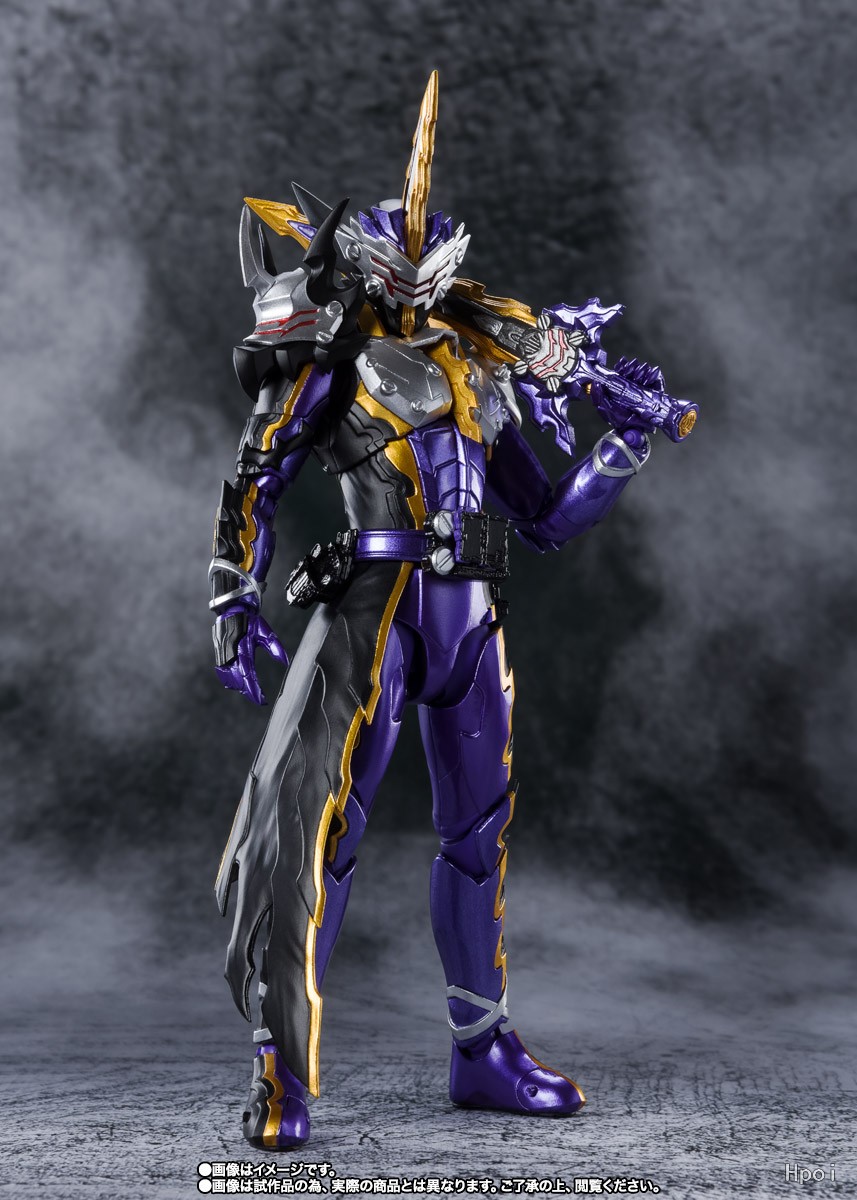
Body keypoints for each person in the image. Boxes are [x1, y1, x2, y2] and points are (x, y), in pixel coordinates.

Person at [210, 71, 697, 1150]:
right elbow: (255, 474)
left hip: (468, 620)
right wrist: (231, 590)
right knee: (317, 836)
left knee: (477, 839)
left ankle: (483, 1052)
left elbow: (545, 518)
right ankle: (280, 1071)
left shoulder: (479, 374)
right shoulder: (331, 360)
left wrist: (619, 449)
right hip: (371, 612)